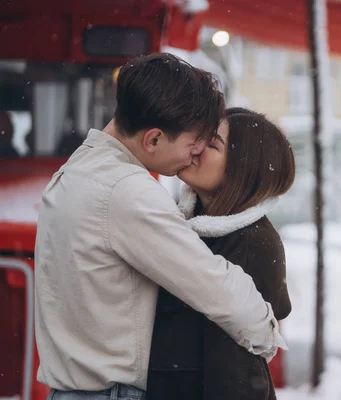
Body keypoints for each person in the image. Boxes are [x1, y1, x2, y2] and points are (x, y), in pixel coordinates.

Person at [35, 54, 285, 400]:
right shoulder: (126, 191)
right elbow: (212, 283)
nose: (194, 153)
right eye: (193, 142)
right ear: (153, 139)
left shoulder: (79, 168)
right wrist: (267, 331)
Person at [147, 108, 295, 400]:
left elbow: (233, 369)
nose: (196, 148)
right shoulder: (188, 228)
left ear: (242, 169)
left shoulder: (253, 243)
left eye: (212, 144)